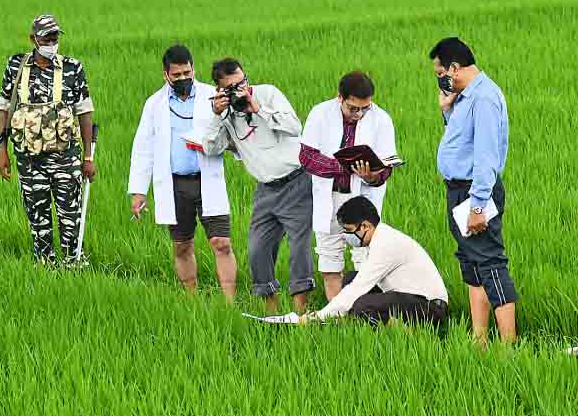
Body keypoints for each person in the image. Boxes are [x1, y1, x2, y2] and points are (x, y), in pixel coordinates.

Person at [202, 57, 314, 313]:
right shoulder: (226, 115)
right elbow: (210, 148)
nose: (241, 90)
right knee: (257, 250)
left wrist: (258, 108)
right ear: (220, 91)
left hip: (297, 182)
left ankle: (300, 315)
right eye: (232, 88)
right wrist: (217, 116)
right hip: (265, 191)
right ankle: (271, 314)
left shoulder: (267, 93)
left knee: (299, 248)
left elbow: (295, 127)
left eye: (242, 83)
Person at [128, 45, 238, 301]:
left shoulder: (212, 96)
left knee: (221, 243)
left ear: (193, 69)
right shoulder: (155, 104)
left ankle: (229, 303)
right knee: (182, 245)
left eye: (186, 72)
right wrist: (138, 192)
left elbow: (233, 134)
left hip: (207, 180)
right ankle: (192, 300)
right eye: (176, 75)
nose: (182, 79)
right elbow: (143, 147)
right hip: (175, 185)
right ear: (166, 74)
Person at [431, 37, 519, 344]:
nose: (440, 79)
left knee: (491, 263)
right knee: (471, 264)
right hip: (458, 192)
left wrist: (478, 205)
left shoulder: (483, 98)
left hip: (474, 193)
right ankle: (479, 340)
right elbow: (461, 142)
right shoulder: (465, 98)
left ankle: (510, 347)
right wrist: (447, 111)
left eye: (440, 73)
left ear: (454, 68)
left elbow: (485, 156)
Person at [0, 14, 96, 267]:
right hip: (29, 161)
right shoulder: (16, 66)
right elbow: (4, 108)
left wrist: (88, 156)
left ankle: (74, 265)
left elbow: (85, 112)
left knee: (70, 216)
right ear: (33, 39)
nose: (51, 42)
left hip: (66, 158)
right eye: (46, 37)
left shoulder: (73, 68)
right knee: (38, 219)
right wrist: (3, 152)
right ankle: (45, 268)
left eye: (55, 37)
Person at [299, 71, 398, 301]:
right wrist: (342, 167)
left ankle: (365, 313)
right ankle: (338, 317)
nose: (359, 114)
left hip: (363, 200)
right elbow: (307, 157)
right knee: (329, 261)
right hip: (330, 197)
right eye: (353, 108)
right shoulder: (320, 113)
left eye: (365, 108)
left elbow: (387, 165)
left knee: (366, 261)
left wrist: (372, 176)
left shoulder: (381, 119)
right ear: (340, 98)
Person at [299, 196, 448, 326]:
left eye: (349, 231)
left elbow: (359, 287)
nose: (347, 236)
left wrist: (317, 317)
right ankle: (357, 323)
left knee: (362, 305)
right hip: (408, 298)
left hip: (430, 308)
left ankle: (401, 333)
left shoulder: (386, 244)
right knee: (351, 278)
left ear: (365, 226)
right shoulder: (380, 237)